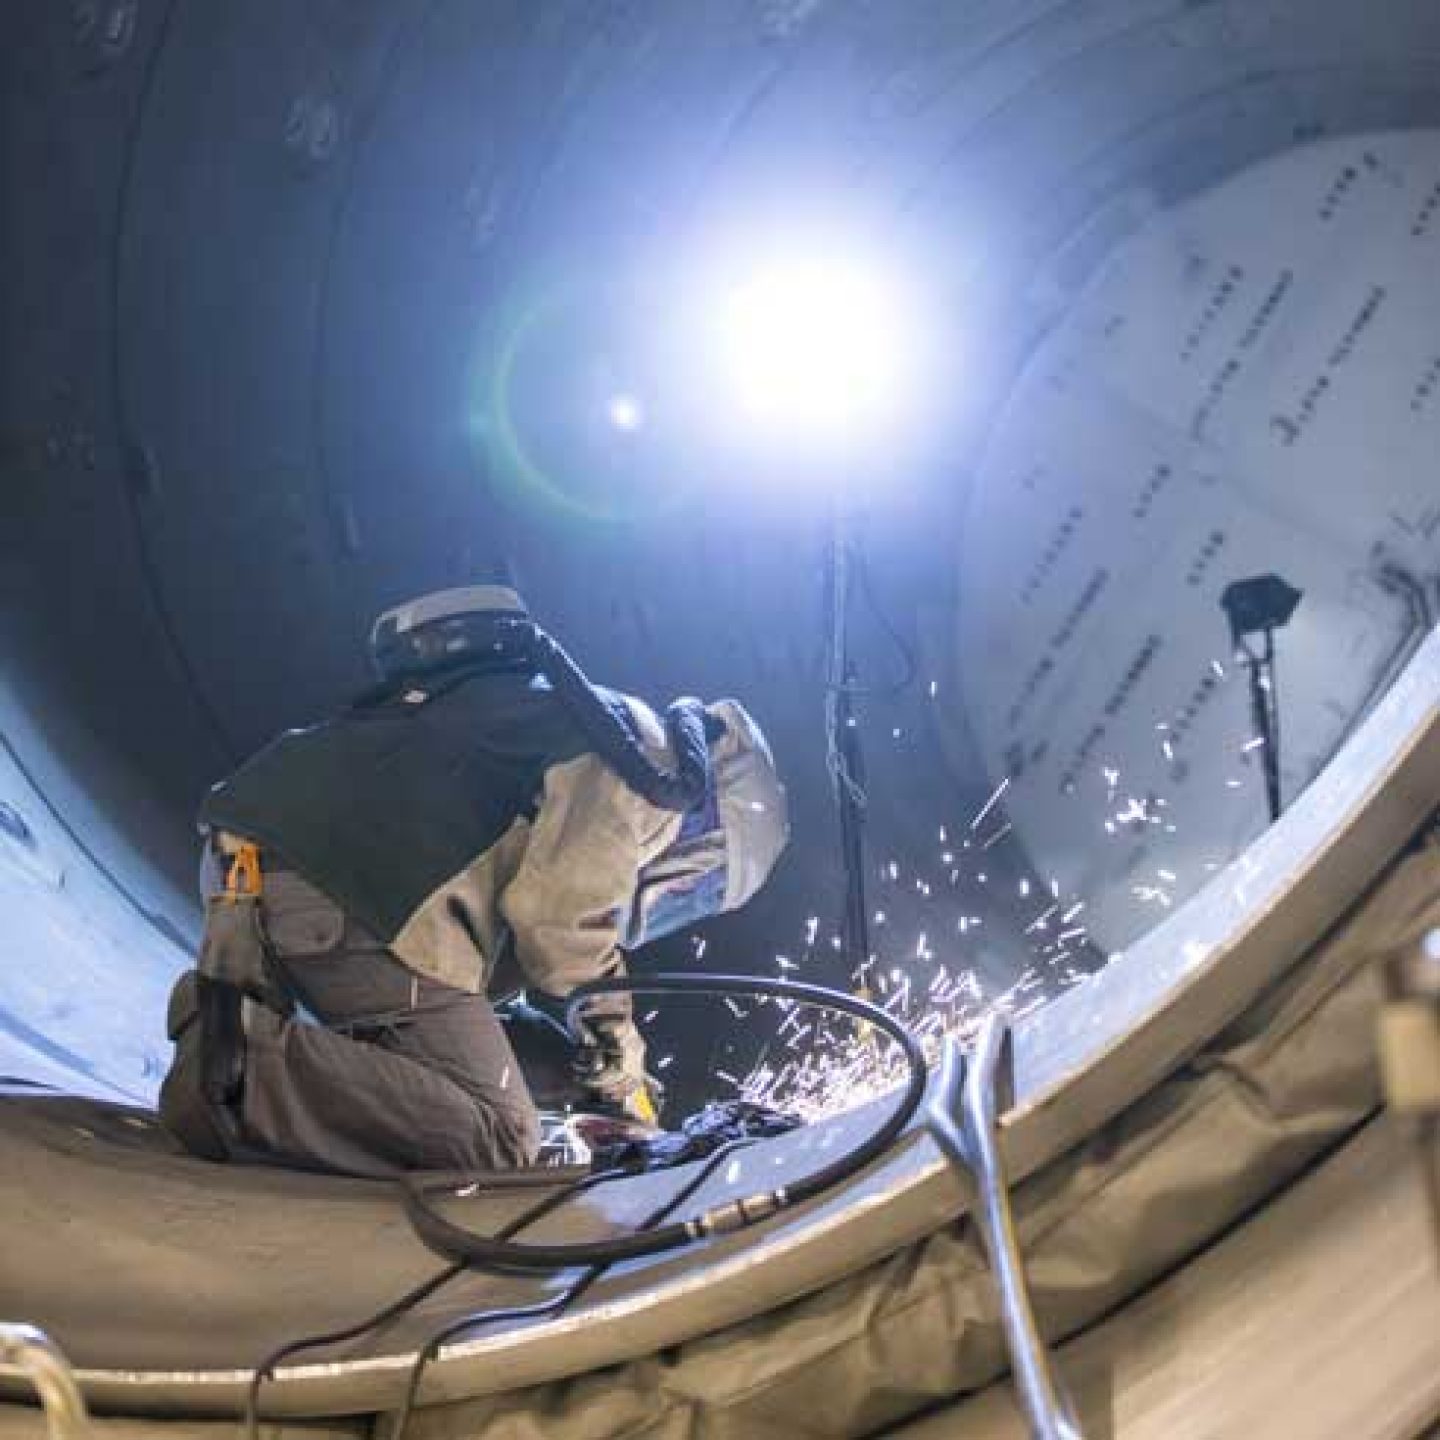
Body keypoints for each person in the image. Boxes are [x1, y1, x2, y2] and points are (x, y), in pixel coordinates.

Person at [157, 585, 788, 1178]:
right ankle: (249, 1065)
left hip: (248, 863)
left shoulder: (575, 716)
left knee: (511, 1055)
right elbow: (555, 921)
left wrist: (577, 1065)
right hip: (336, 899)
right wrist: (621, 1057)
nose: (677, 900)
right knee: (502, 1138)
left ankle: (244, 1047)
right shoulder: (643, 767)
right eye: (698, 889)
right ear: (711, 833)